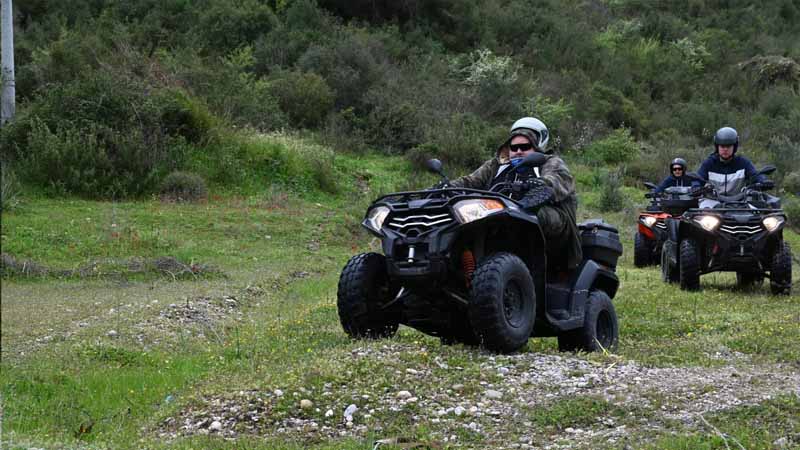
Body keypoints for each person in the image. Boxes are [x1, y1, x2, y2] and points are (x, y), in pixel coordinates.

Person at [448, 117, 582, 270]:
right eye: (514, 147)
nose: (518, 151)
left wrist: (541, 185)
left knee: (529, 213)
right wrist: (446, 186)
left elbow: (556, 180)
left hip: (550, 220)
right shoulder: (496, 166)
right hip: (497, 215)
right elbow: (470, 181)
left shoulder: (550, 162)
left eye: (525, 147)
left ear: (537, 147)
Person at [697, 126, 765, 196]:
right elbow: (698, 178)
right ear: (717, 147)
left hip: (739, 201)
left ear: (734, 147)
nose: (725, 149)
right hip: (713, 200)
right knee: (705, 206)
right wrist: (696, 186)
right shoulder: (709, 163)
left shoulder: (743, 163)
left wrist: (763, 181)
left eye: (729, 146)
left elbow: (755, 175)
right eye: (722, 146)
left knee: (761, 204)